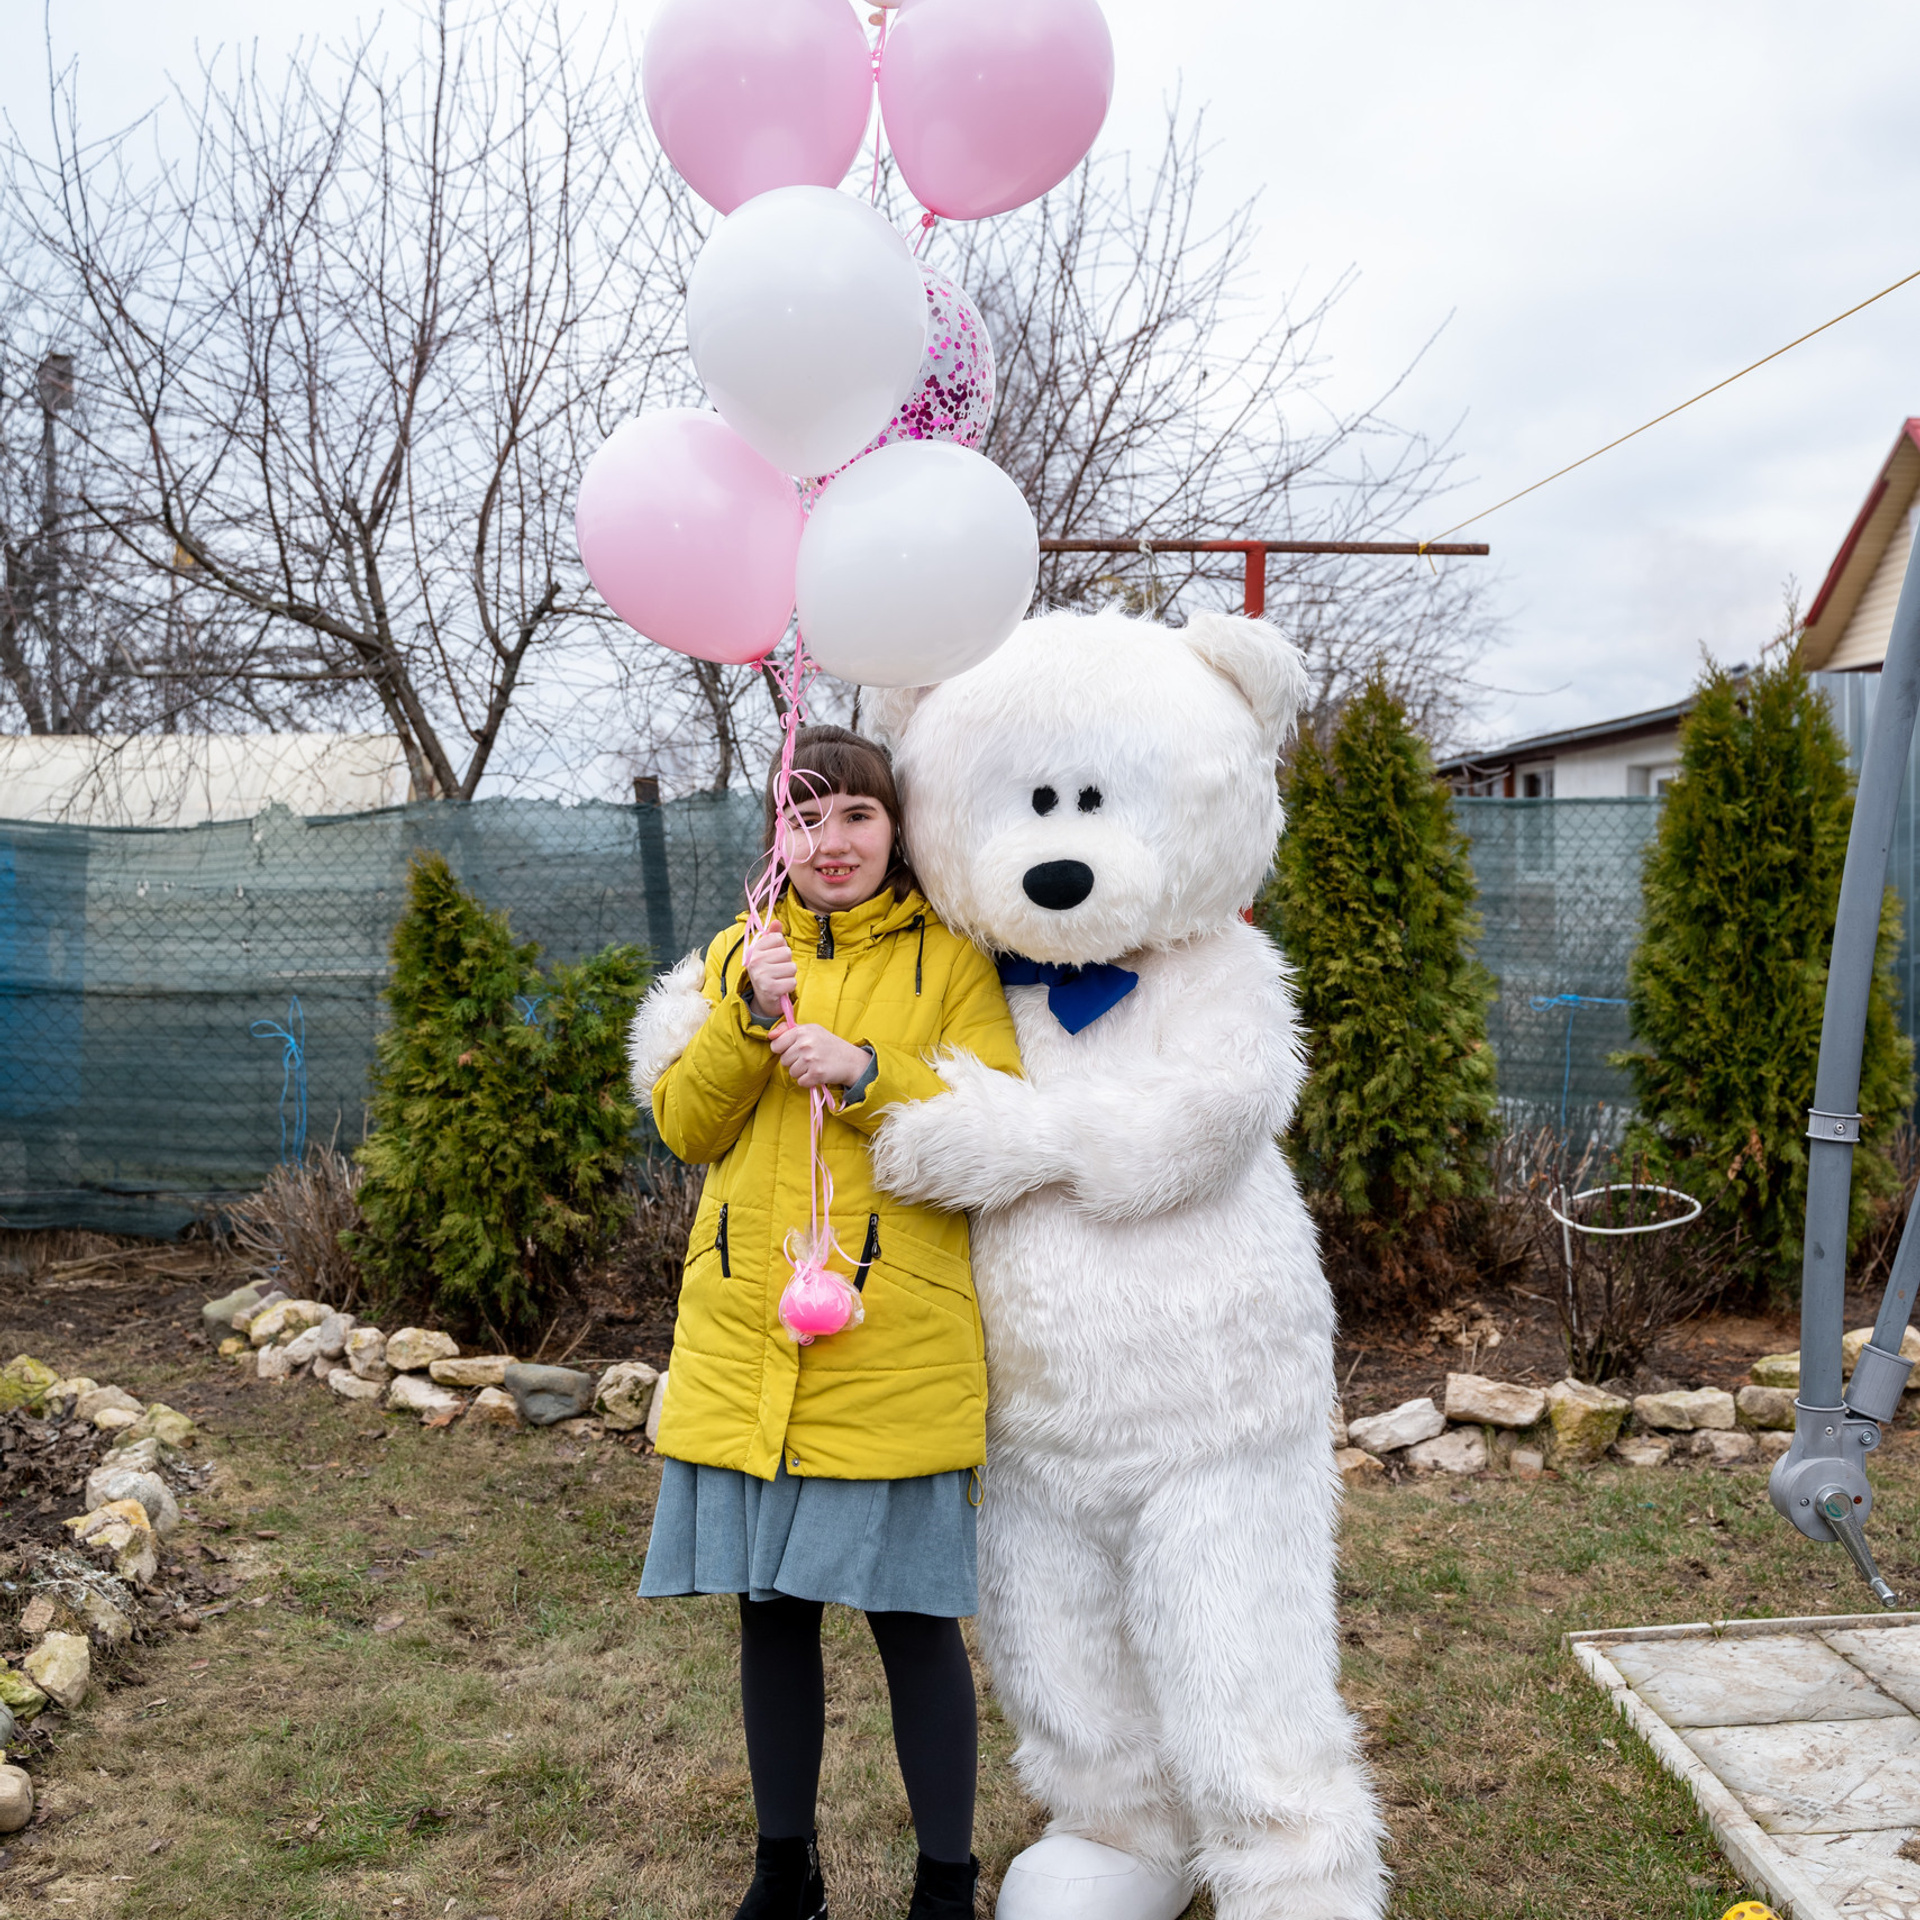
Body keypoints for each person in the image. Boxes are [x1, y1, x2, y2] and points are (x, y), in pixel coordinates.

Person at [635, 724, 1023, 1920]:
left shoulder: (952, 960)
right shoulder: (734, 957)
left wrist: (865, 1075)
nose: (832, 841)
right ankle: (783, 1870)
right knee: (773, 1618)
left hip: (888, 1339)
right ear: (777, 838)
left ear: (894, 827)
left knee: (914, 1626)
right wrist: (746, 1020)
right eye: (805, 819)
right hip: (751, 1331)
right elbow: (687, 1128)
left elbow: (997, 1128)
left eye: (855, 815)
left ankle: (944, 1882)